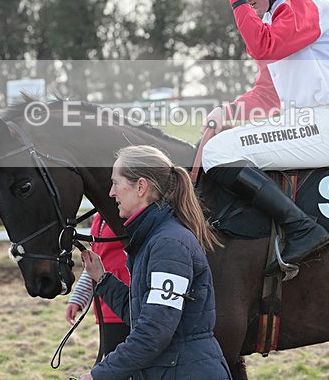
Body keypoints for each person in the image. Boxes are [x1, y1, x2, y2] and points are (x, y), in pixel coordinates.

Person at [203, 0, 329, 273]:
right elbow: (268, 94)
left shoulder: (304, 4)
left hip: (328, 123)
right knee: (218, 146)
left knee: (219, 154)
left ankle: (301, 228)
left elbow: (263, 46)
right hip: (304, 124)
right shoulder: (273, 16)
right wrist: (228, 111)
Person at [77, 145, 231, 380]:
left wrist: (98, 375)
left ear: (140, 187)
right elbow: (143, 316)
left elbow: (153, 332)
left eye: (116, 183)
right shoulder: (155, 239)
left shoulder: (168, 244)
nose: (111, 193)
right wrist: (103, 279)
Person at [65, 213, 130, 363]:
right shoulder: (99, 217)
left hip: (125, 300)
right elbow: (97, 262)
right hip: (106, 302)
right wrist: (78, 298)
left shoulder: (128, 212)